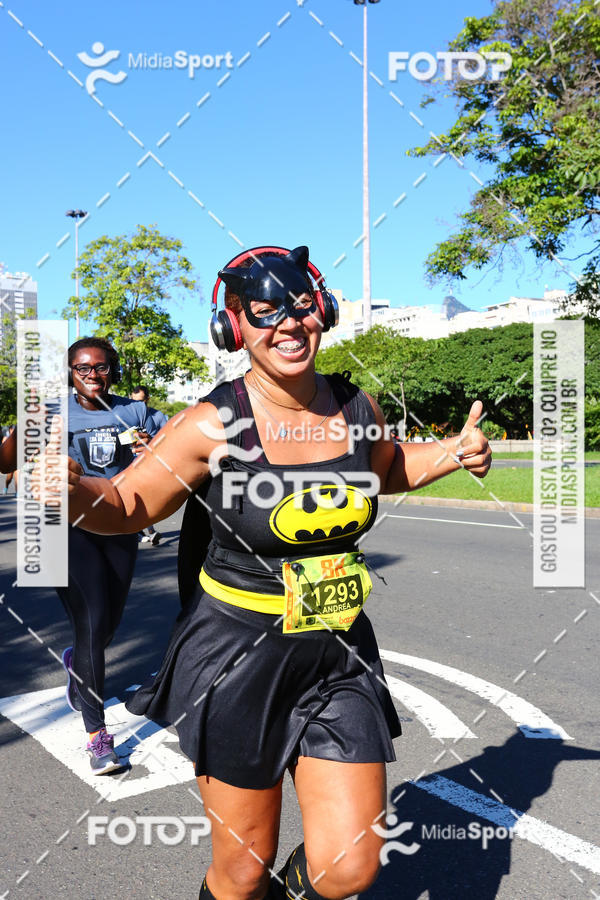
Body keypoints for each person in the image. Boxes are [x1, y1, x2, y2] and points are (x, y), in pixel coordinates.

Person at [60, 246, 491, 899]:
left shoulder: (354, 406)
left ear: (323, 310)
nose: (289, 326)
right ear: (233, 328)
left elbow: (387, 465)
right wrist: (71, 491)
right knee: (240, 871)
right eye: (265, 313)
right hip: (236, 662)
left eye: (300, 307)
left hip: (337, 651)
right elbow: (127, 505)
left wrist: (453, 452)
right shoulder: (212, 422)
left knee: (349, 867)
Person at [58, 338, 156, 773]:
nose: (92, 375)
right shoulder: (54, 412)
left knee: (108, 624)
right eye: (82, 368)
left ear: (112, 370)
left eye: (100, 367)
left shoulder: (132, 412)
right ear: (70, 371)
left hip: (120, 525)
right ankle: (98, 737)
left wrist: (154, 444)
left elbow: (175, 438)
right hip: (67, 529)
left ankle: (75, 661)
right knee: (93, 621)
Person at [129, 385, 168, 545]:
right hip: (128, 468)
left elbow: (167, 440)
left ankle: (143, 531)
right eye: (133, 401)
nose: (137, 405)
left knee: (147, 501)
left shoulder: (157, 416)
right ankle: (147, 532)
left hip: (150, 466)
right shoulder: (127, 416)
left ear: (147, 400)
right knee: (136, 501)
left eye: (140, 402)